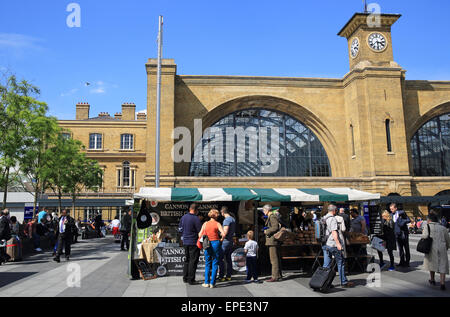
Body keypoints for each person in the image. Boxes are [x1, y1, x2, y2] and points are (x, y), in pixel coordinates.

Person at [322, 204, 354, 288]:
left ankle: (325, 283)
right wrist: (338, 244)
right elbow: (334, 232)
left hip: (325, 244)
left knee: (326, 265)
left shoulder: (324, 218)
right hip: (332, 244)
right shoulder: (332, 219)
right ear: (334, 210)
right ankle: (343, 282)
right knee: (341, 262)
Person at [423, 212, 450, 291]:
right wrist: (447, 247)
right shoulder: (443, 228)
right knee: (442, 264)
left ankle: (432, 279)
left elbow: (424, 236)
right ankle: (442, 283)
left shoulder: (427, 226)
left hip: (431, 247)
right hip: (442, 247)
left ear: (429, 220)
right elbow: (447, 240)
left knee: (431, 263)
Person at [200, 209, 225, 288]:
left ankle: (206, 282)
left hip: (207, 243)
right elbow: (223, 234)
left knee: (207, 263)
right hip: (216, 243)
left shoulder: (205, 224)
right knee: (215, 263)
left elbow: (199, 234)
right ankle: (212, 283)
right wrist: (221, 239)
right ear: (216, 215)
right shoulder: (217, 224)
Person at [179, 203, 202, 285]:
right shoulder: (196, 219)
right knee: (193, 261)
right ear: (196, 210)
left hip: (185, 241)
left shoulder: (183, 217)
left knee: (187, 260)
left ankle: (185, 278)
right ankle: (191, 279)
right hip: (193, 242)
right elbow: (200, 231)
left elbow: (180, 229)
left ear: (190, 209)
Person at [263, 204, 281, 282]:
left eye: (263, 210)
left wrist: (267, 231)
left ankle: (275, 276)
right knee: (275, 258)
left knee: (273, 259)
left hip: (272, 241)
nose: (263, 212)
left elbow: (275, 227)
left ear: (267, 210)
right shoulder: (270, 216)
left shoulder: (272, 216)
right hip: (272, 241)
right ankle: (278, 275)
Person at [218, 206, 236, 282]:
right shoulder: (233, 219)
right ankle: (228, 276)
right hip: (230, 241)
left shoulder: (227, 220)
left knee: (221, 259)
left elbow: (225, 232)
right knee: (228, 259)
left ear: (222, 212)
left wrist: (221, 240)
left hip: (225, 242)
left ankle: (221, 276)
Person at [390, 203, 411, 267]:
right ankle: (401, 261)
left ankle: (407, 262)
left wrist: (402, 222)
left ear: (396, 208)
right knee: (400, 248)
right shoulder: (391, 215)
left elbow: (408, 220)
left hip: (403, 233)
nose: (391, 210)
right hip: (397, 234)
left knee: (406, 248)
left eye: (392, 209)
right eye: (390, 209)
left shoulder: (401, 213)